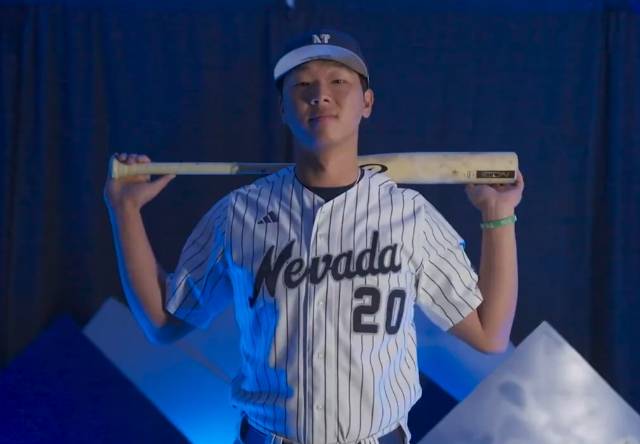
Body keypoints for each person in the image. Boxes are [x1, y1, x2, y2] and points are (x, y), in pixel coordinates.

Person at [104, 29, 524, 444]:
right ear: (282, 109)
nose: (320, 94)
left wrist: (498, 215)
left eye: (338, 81)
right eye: (303, 84)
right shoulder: (238, 213)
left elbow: (489, 334)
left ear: (367, 102)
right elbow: (163, 323)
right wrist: (124, 212)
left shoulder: (410, 215)